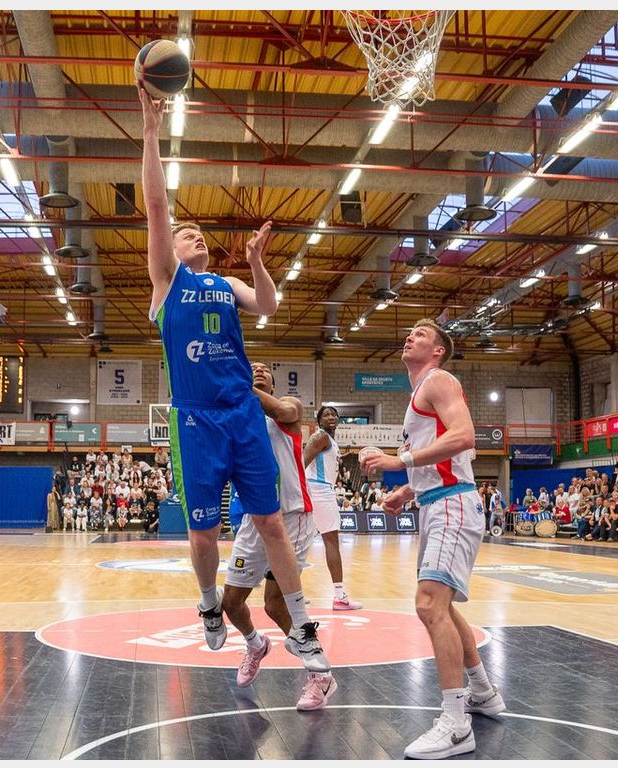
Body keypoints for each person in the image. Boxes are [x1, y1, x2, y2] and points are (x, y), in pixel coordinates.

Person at [138, 82, 324, 662]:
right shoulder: (167, 282)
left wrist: (259, 263)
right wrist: (150, 132)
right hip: (195, 419)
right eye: (183, 234)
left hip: (242, 412)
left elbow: (267, 305)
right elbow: (157, 207)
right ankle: (206, 603)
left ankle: (302, 624)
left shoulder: (224, 283)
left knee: (271, 522)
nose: (191, 235)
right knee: (202, 532)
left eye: (197, 234)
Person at [360, 319, 504, 759]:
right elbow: (445, 459)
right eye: (409, 332)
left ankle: (456, 724)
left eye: (421, 334)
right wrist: (406, 492)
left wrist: (397, 460)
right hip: (437, 502)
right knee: (442, 605)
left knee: (429, 605)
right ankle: (482, 691)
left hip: (452, 506)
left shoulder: (438, 380)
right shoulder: (420, 393)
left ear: (438, 350)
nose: (410, 336)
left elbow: (464, 437)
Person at [223, 363, 333, 708]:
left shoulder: (288, 408)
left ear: (272, 383)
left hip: (292, 515)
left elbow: (284, 411)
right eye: (252, 368)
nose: (258, 370)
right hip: (255, 517)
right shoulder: (238, 420)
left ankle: (321, 676)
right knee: (230, 603)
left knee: (275, 603)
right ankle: (255, 644)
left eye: (265, 370)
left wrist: (239, 382)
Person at [302, 405, 361, 611]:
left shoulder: (330, 441)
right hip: (318, 490)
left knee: (300, 543)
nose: (330, 417)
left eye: (333, 414)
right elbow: (301, 463)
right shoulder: (321, 437)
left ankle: (290, 593)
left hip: (315, 489)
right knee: (331, 542)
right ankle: (339, 596)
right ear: (318, 421)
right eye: (326, 415)